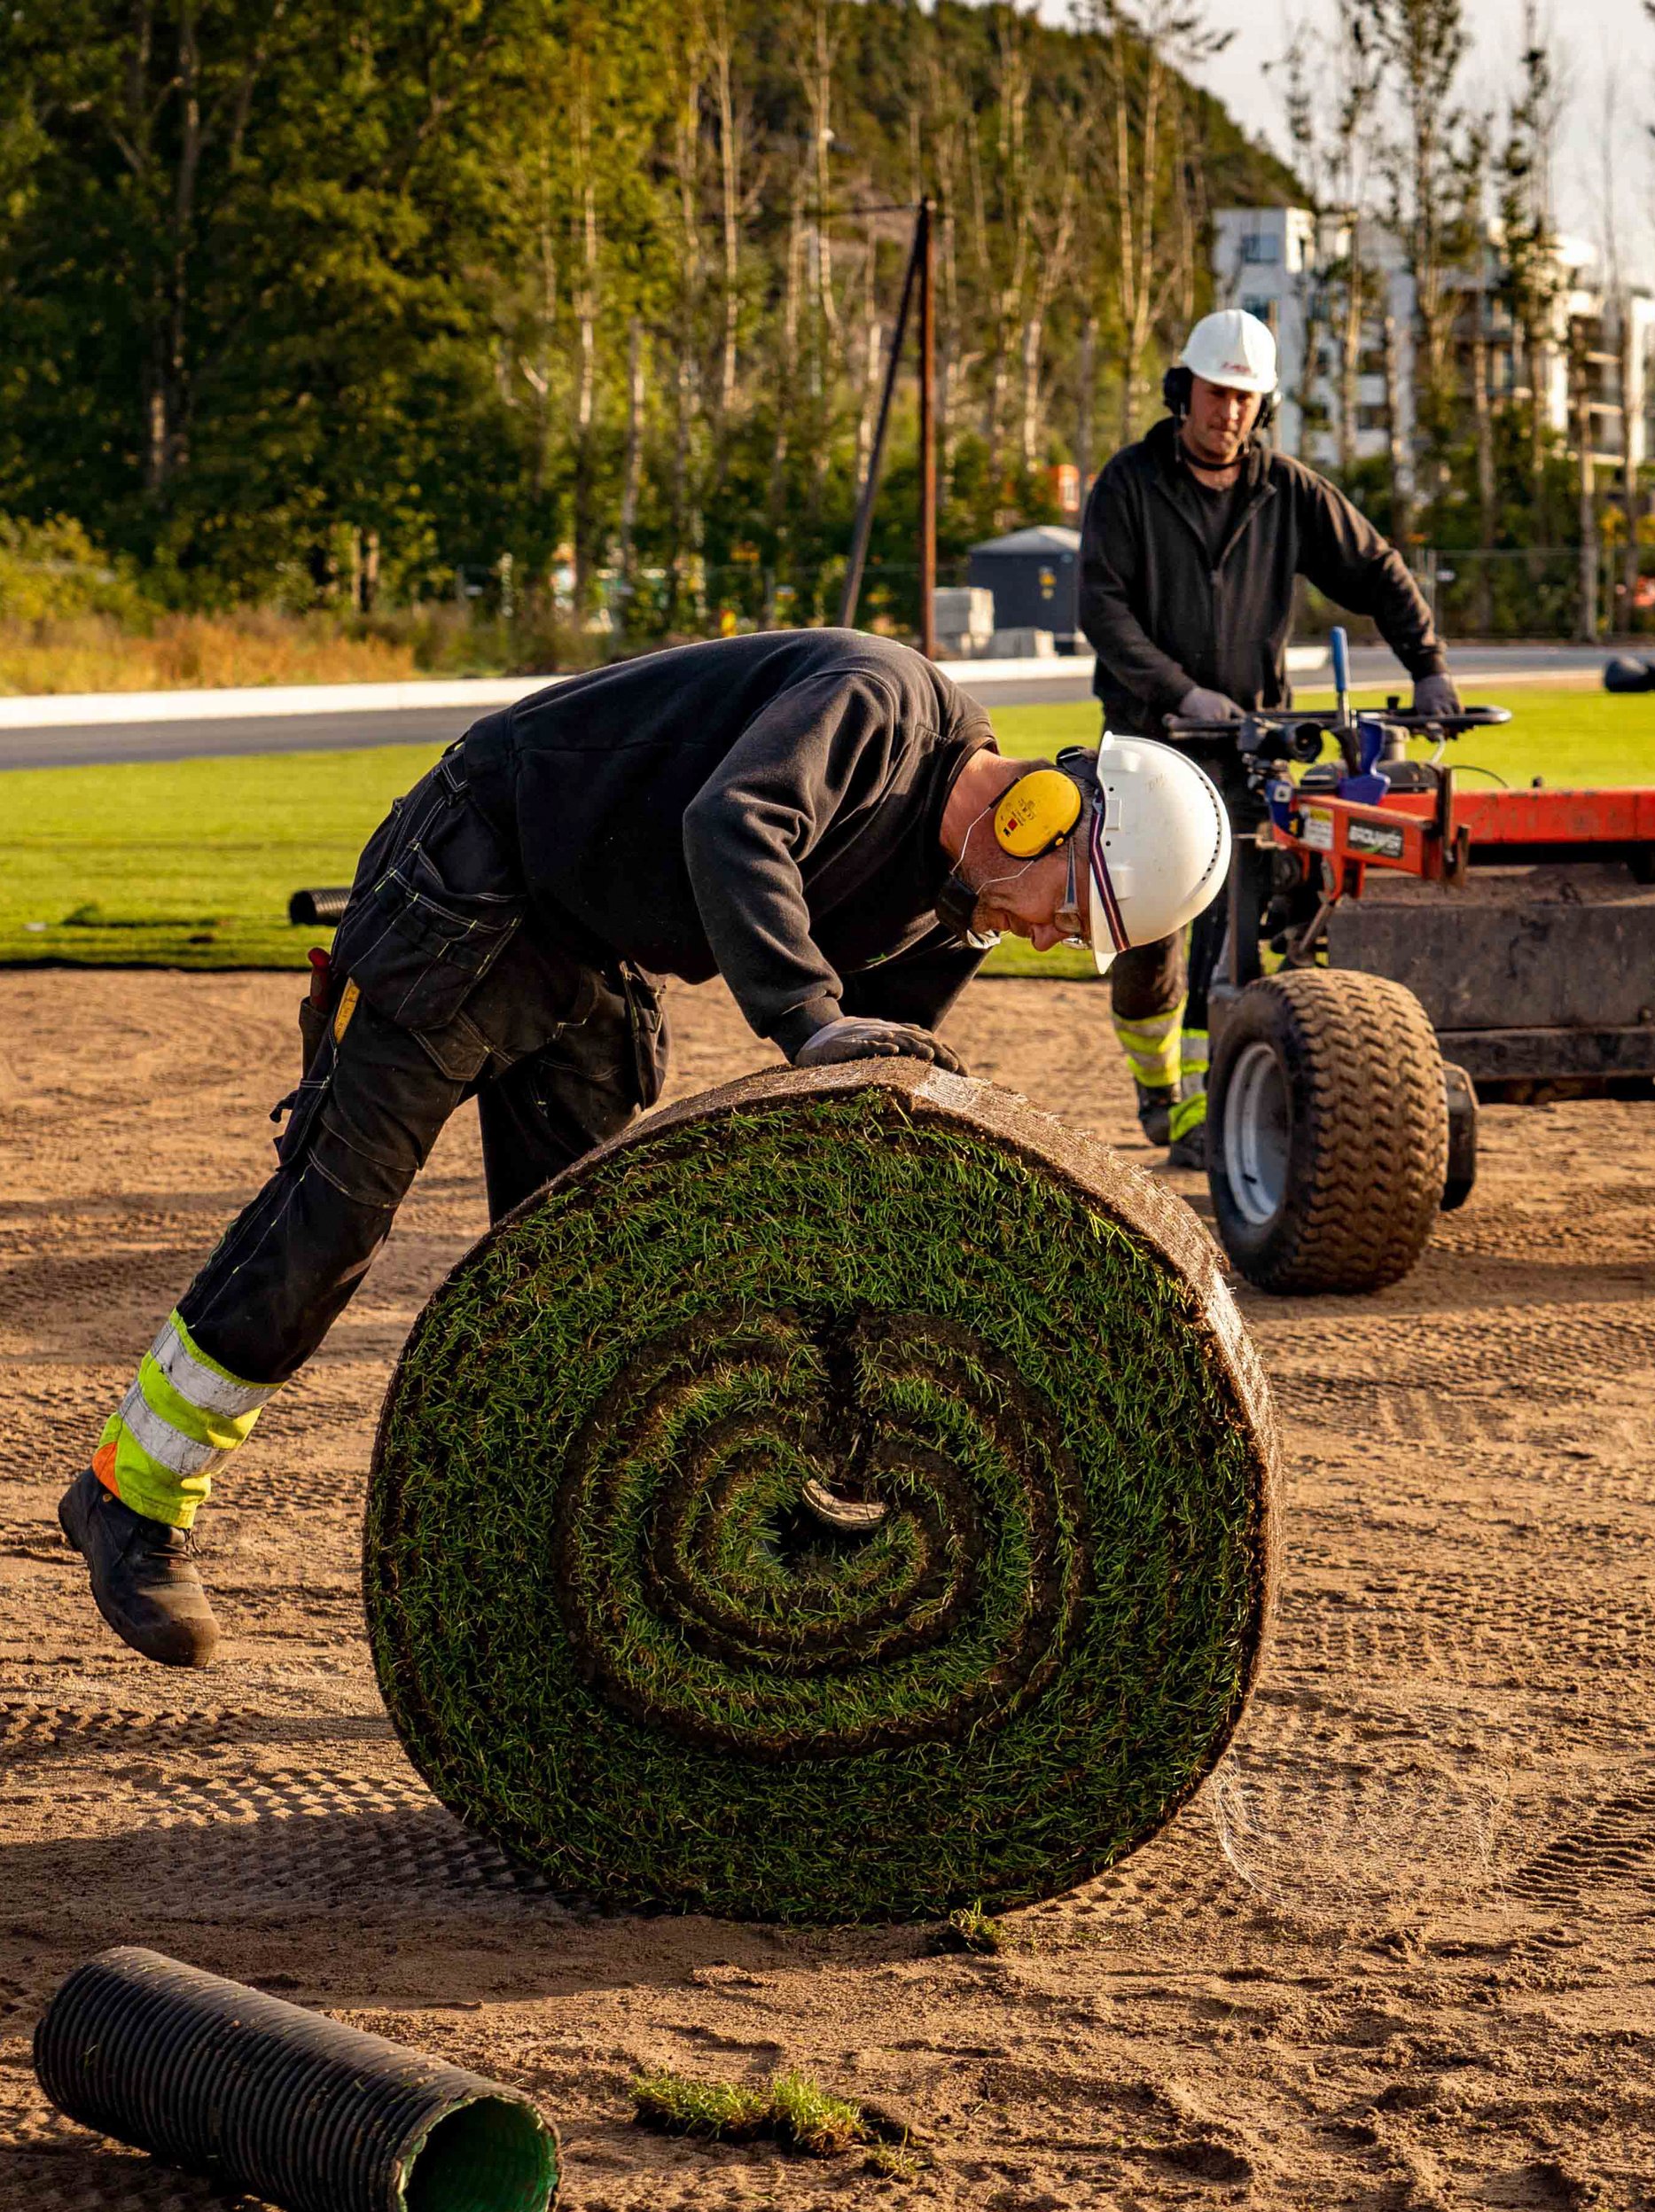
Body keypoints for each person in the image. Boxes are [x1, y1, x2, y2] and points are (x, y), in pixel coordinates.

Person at [59, 627, 1230, 1669]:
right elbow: (737, 823)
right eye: (1064, 907)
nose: (1040, 935)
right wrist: (808, 1021)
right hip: (478, 870)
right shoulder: (880, 701)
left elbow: (872, 1076)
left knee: (579, 1276)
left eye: (1071, 934)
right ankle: (132, 1493)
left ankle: (519, 1590)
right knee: (335, 1218)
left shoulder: (953, 910)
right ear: (1043, 812)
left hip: (593, 953)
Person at [1078, 308, 1461, 1166]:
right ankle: (1158, 1091)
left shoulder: (1285, 490)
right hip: (1151, 742)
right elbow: (1100, 609)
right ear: (1185, 392)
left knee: (1249, 924)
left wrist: (1428, 664)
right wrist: (1180, 691)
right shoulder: (1128, 485)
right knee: (1153, 931)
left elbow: (1376, 570)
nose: (1230, 414)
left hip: (1253, 748)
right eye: (1217, 394)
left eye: (1247, 399)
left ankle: (1221, 1109)